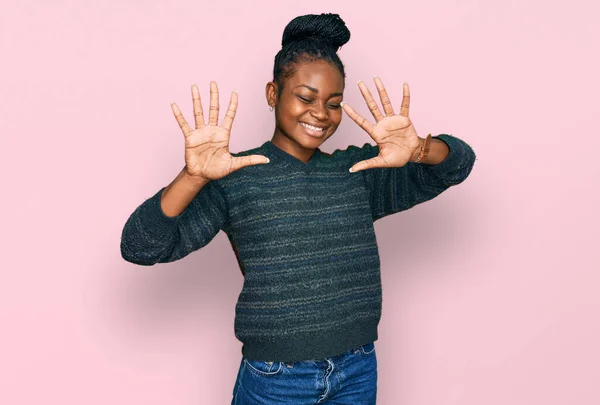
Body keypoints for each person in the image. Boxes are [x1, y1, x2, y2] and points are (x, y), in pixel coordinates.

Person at [120, 12, 476, 405]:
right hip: (277, 379)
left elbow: (458, 165)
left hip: (357, 368)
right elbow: (140, 246)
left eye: (334, 103)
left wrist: (420, 149)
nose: (321, 113)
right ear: (273, 94)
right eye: (306, 97)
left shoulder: (357, 171)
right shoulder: (237, 176)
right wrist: (192, 176)